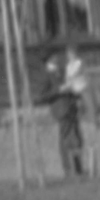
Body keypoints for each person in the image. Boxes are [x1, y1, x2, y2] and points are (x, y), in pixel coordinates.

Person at [38, 50, 85, 178]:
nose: (57, 57)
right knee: (66, 138)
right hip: (60, 108)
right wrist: (58, 90)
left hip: (71, 106)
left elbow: (71, 84)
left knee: (77, 137)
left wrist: (77, 97)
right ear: (49, 59)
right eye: (54, 56)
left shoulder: (63, 70)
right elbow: (42, 96)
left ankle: (78, 168)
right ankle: (68, 169)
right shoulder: (46, 75)